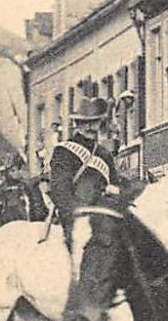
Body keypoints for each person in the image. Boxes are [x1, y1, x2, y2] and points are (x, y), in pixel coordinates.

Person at [47, 94, 117, 230]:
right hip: (76, 218)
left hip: (103, 218)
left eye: (94, 122)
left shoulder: (104, 154)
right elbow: (61, 190)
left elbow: (114, 184)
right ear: (78, 124)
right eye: (85, 123)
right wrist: (78, 216)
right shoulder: (64, 151)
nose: (90, 127)